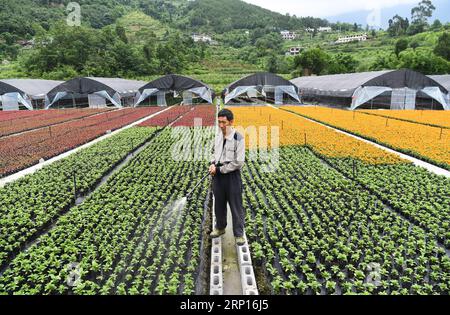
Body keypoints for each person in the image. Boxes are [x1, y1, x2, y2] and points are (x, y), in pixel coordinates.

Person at [209, 109, 246, 246]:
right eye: (219, 122)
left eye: (224, 122)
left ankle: (238, 234)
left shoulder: (238, 138)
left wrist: (220, 169)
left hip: (231, 176)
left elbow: (239, 162)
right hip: (218, 176)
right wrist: (212, 164)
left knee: (236, 205)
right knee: (219, 203)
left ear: (231, 122)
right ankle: (220, 228)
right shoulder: (218, 136)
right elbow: (214, 153)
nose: (221, 125)